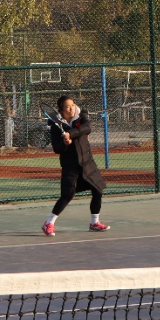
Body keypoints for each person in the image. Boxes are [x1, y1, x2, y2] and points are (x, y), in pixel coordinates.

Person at [42, 95, 109, 236]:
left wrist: (70, 134)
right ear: (61, 110)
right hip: (70, 166)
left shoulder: (82, 116)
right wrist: (65, 143)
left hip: (87, 163)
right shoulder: (55, 126)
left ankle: (94, 223)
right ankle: (49, 223)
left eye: (72, 105)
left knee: (98, 190)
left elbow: (87, 128)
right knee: (67, 195)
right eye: (67, 107)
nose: (71, 109)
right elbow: (57, 148)